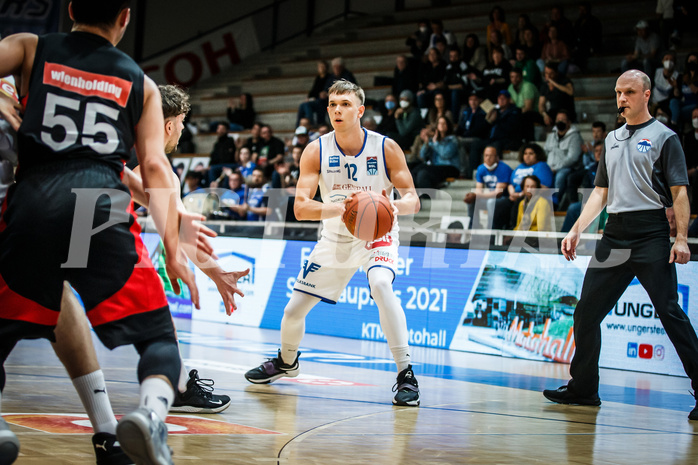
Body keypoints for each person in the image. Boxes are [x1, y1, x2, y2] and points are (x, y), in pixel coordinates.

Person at [0, 2, 201, 464]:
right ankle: (149, 415)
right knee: (158, 339)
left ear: (70, 7)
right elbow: (153, 166)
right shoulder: (140, 82)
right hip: (101, 204)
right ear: (125, 18)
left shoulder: (32, 47)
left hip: (34, 197)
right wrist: (173, 249)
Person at [244, 80, 422, 407]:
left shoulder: (386, 148)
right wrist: (339, 208)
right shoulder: (316, 150)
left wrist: (390, 207)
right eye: (332, 104)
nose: (337, 110)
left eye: (344, 104)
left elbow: (413, 199)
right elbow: (300, 208)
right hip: (335, 236)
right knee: (293, 311)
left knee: (381, 285)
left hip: (377, 234)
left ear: (360, 110)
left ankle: (406, 373)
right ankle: (287, 362)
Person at [542, 70, 698, 421]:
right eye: (617, 93)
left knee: (670, 313)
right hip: (615, 234)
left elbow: (679, 192)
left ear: (646, 95)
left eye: (629, 92)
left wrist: (682, 237)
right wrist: (578, 229)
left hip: (650, 232)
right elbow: (601, 192)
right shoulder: (611, 139)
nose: (621, 99)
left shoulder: (665, 137)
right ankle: (583, 388)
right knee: (586, 312)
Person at [492, 143, 553, 230]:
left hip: (534, 197)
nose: (527, 156)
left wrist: (521, 194)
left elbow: (543, 187)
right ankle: (496, 232)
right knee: (498, 204)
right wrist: (512, 193)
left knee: (520, 202)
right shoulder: (519, 167)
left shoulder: (542, 166)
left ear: (538, 155)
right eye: (525, 153)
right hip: (516, 196)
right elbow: (510, 184)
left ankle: (513, 229)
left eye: (531, 153)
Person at [464, 145, 512, 228]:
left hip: (505, 199)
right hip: (491, 197)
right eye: (486, 155)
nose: (488, 158)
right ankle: (473, 227)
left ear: (497, 157)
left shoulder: (503, 168)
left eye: (491, 156)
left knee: (490, 202)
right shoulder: (481, 168)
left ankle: (490, 229)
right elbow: (479, 189)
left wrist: (475, 195)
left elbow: (498, 193)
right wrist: (473, 196)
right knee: (472, 201)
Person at [543, 109, 582, 208]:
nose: (560, 121)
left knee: (560, 178)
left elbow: (573, 158)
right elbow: (545, 152)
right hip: (550, 166)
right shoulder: (551, 135)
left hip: (567, 168)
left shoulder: (575, 137)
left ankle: (555, 203)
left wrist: (556, 168)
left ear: (569, 122)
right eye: (558, 119)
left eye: (563, 119)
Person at [413, 115, 461, 189]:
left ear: (448, 126)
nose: (441, 125)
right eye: (439, 123)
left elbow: (445, 154)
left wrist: (435, 144)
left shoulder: (453, 139)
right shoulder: (434, 140)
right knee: (416, 170)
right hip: (436, 167)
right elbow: (422, 156)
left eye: (444, 123)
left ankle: (428, 195)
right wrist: (426, 142)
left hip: (450, 167)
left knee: (423, 173)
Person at [539, 62, 576, 127]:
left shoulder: (564, 80)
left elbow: (571, 91)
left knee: (555, 113)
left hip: (566, 112)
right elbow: (541, 104)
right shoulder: (544, 86)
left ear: (556, 73)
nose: (548, 76)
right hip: (553, 113)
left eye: (551, 73)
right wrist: (544, 115)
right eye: (546, 73)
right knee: (529, 115)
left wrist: (554, 83)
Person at [296, 60, 330, 126]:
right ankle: (298, 126)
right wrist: (309, 97)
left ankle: (311, 123)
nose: (321, 68)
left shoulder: (329, 77)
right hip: (316, 99)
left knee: (307, 105)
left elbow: (325, 90)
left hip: (323, 100)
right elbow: (314, 90)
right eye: (320, 67)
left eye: (322, 67)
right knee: (302, 105)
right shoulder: (318, 78)